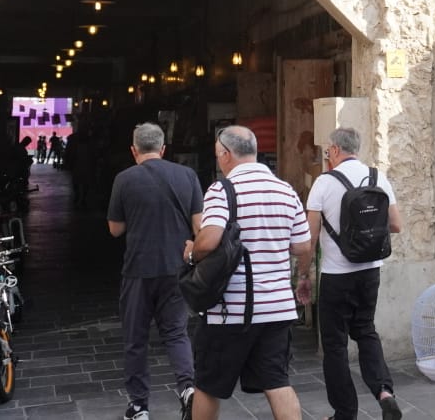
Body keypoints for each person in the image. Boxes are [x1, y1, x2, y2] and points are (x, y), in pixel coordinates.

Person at [186, 126, 312, 420]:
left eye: (219, 156)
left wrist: (192, 251)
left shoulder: (222, 190)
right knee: (278, 382)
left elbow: (211, 238)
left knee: (208, 385)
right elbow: (303, 245)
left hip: (230, 312)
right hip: (278, 310)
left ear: (226, 155)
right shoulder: (286, 190)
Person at [302, 128, 404, 420]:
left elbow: (310, 237)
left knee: (335, 345)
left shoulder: (323, 183)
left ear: (334, 149)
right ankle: (385, 393)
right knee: (366, 331)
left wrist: (304, 275)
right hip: (371, 272)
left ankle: (345, 413)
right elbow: (396, 225)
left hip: (336, 274)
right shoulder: (378, 177)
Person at [107, 123, 204, 420]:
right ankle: (188, 388)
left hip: (138, 268)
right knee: (176, 333)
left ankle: (139, 407)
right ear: (163, 149)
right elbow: (199, 226)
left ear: (134, 150)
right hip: (175, 267)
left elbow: (115, 229)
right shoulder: (187, 175)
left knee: (136, 339)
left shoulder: (124, 179)